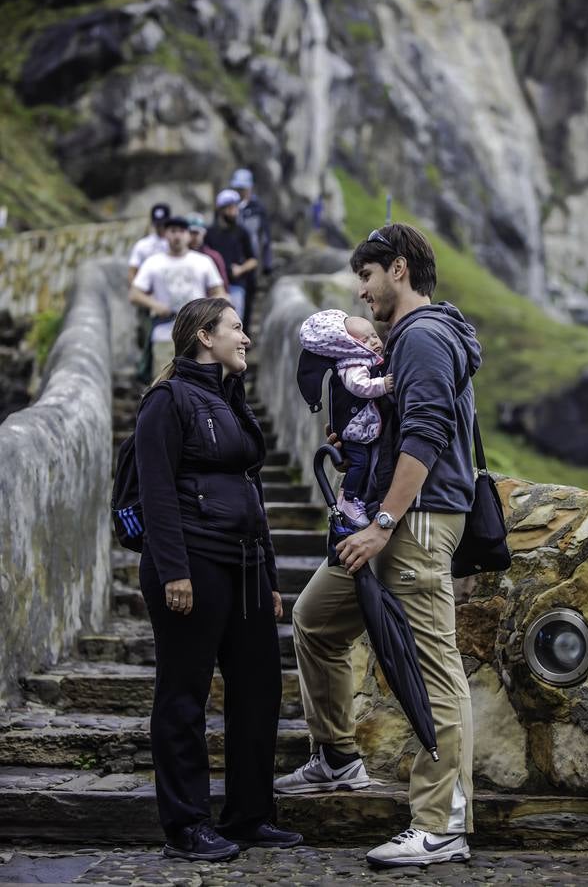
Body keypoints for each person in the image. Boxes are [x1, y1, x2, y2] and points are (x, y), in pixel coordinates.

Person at [275, 223, 481, 870]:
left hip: (414, 524)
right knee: (315, 619)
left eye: (365, 277)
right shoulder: (406, 340)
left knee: (436, 670)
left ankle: (441, 824)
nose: (361, 293)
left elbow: (426, 436)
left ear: (397, 268)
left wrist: (382, 522)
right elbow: (399, 428)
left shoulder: (421, 337)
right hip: (396, 521)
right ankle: (338, 757)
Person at [135, 297, 303, 863]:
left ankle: (249, 815)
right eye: (236, 329)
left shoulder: (232, 400)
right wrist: (174, 572)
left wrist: (273, 575)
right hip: (194, 563)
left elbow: (253, 495)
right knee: (183, 694)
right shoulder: (167, 400)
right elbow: (156, 492)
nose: (246, 339)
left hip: (248, 565)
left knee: (259, 688)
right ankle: (185, 825)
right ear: (205, 336)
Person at [298, 309, 394, 527]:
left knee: (362, 461)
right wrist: (383, 385)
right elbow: (358, 386)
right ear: (350, 345)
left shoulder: (366, 361)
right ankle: (348, 499)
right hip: (354, 429)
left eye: (374, 336)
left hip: (361, 427)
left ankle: (350, 497)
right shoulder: (352, 364)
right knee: (359, 463)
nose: (374, 342)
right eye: (365, 340)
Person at [129, 215, 225, 379]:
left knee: (199, 383)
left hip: (198, 334)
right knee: (163, 382)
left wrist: (208, 311)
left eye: (181, 231)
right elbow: (134, 294)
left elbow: (219, 292)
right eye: (173, 231)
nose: (177, 236)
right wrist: (155, 305)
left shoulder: (204, 262)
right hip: (164, 332)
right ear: (166, 234)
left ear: (188, 235)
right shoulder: (153, 263)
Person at [127, 202, 171, 383]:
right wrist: (143, 294)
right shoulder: (143, 246)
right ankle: (146, 374)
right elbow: (132, 273)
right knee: (147, 337)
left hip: (168, 301)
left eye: (163, 224)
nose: (160, 228)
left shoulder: (173, 243)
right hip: (147, 300)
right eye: (157, 224)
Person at [204, 190, 257, 335]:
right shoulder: (210, 232)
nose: (233, 211)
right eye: (229, 208)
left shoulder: (242, 232)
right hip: (214, 285)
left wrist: (240, 269)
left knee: (234, 321)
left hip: (236, 284)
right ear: (221, 210)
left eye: (235, 207)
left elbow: (253, 260)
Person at [229, 168, 273, 276]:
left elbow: (265, 237)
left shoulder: (258, 209)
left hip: (251, 260)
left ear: (250, 187)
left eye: (242, 188)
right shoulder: (228, 206)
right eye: (237, 188)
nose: (239, 192)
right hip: (231, 259)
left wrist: (267, 264)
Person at [187, 213, 229, 289]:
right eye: (191, 232)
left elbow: (223, 284)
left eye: (197, 233)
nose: (194, 237)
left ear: (204, 233)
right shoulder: (179, 256)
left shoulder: (213, 256)